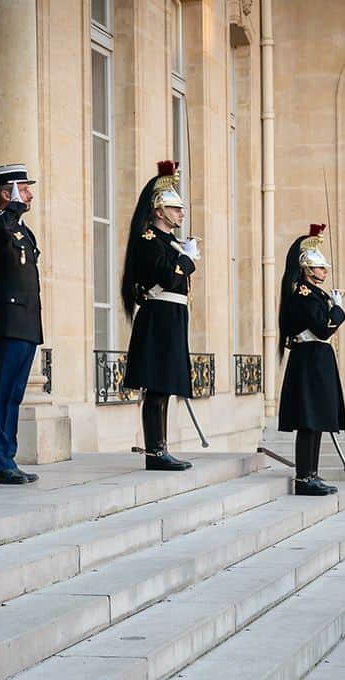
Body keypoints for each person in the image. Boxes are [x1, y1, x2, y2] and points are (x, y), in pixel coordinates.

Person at [120, 160, 196, 471]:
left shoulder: (170, 242)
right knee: (156, 385)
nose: (181, 213)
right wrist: (187, 261)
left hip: (173, 314)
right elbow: (168, 277)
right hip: (159, 315)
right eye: (175, 208)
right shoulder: (149, 239)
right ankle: (155, 451)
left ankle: (161, 447)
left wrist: (183, 255)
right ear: (159, 210)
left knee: (164, 385)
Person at [0, 163, 42, 485]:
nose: (30, 194)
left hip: (27, 321)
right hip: (8, 320)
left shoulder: (23, 230)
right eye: (24, 188)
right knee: (1, 392)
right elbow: (0, 243)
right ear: (7, 193)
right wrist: (10, 209)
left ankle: (8, 458)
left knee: (15, 394)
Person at [277, 224, 345, 496]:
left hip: (319, 358)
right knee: (308, 420)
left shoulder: (318, 295)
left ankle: (312, 473)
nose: (324, 271)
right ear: (306, 269)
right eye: (319, 268)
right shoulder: (303, 295)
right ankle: (303, 477)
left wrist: (332, 307)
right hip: (309, 359)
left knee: (317, 420)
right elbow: (323, 328)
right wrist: (338, 311)